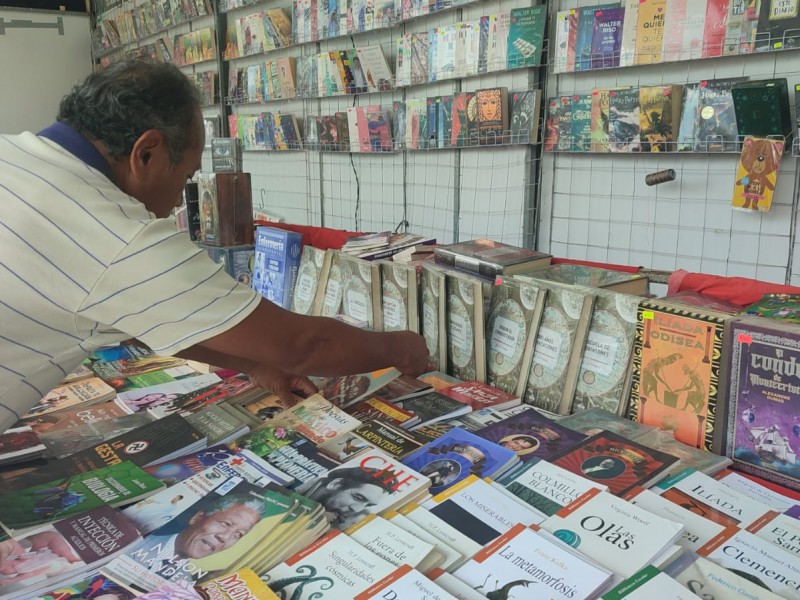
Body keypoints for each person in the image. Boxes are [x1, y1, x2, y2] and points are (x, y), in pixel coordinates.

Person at [0, 61, 428, 432]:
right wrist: (401, 349)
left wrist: (256, 365)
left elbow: (143, 317)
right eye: (185, 175)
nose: (177, 201)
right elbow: (303, 346)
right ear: (146, 153)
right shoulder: (113, 235)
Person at [133, 492, 262, 582]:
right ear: (197, 517)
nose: (225, 537)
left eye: (238, 534)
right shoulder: (134, 540)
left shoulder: (186, 584)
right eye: (226, 524)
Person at [295, 466, 396, 529]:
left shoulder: (340, 521)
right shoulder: (296, 485)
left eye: (368, 504)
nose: (357, 509)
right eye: (358, 498)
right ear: (335, 484)